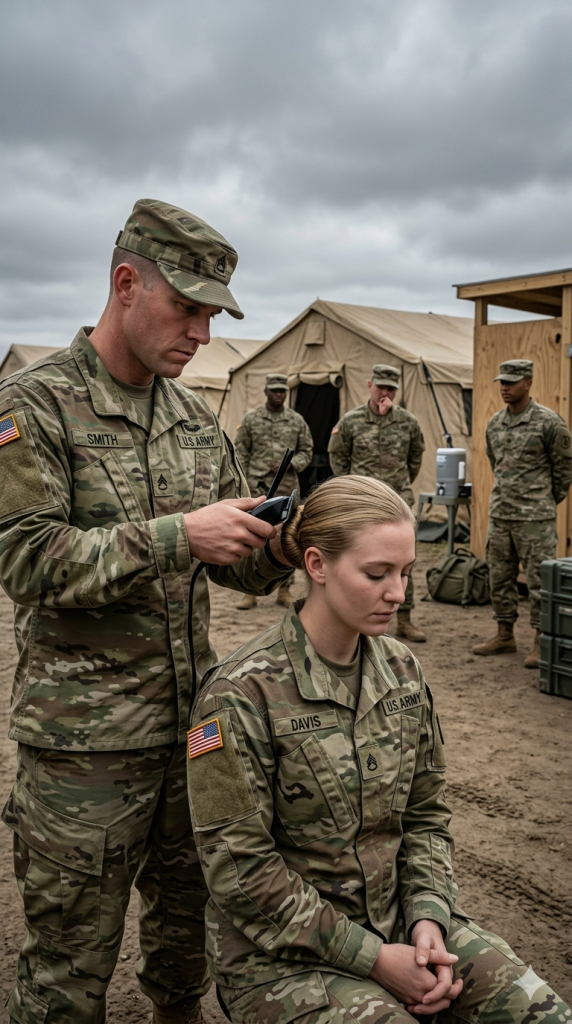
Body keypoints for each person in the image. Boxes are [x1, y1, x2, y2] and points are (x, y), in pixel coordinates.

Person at [0, 198, 294, 1024]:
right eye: (189, 308)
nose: (202, 333)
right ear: (126, 283)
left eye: (213, 315)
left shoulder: (196, 423)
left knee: (184, 941)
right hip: (84, 755)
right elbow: (23, 558)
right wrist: (176, 537)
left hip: (191, 738)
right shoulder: (35, 406)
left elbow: (231, 567)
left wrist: (280, 546)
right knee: (65, 970)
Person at [186, 476, 570, 1024]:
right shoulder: (239, 694)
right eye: (377, 574)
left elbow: (426, 816)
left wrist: (429, 922)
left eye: (406, 572)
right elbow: (240, 874)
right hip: (284, 960)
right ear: (316, 565)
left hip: (402, 926)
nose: (398, 593)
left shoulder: (401, 670)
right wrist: (375, 961)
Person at [473, 359, 572, 668]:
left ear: (528, 383)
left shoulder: (549, 422)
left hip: (535, 520)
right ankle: (504, 634)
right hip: (501, 513)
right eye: (502, 381)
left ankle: (541, 641)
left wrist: (542, 501)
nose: (505, 387)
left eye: (512, 382)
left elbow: (564, 470)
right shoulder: (495, 423)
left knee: (539, 582)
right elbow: (495, 461)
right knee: (499, 576)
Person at [328, 364, 426, 642]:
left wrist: (399, 486)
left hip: (399, 505)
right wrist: (355, 492)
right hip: (362, 506)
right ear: (369, 385)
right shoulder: (351, 421)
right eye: (380, 386)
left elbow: (416, 457)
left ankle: (404, 619)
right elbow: (338, 459)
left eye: (391, 388)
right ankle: (359, 616)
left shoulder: (408, 422)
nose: (385, 392)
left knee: (403, 563)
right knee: (362, 562)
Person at [234, 372, 313, 609]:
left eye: (282, 391)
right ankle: (250, 592)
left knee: (287, 537)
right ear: (266, 391)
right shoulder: (251, 419)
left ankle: (284, 589)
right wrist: (244, 482)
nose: (279, 394)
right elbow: (240, 452)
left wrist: (292, 464)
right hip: (257, 487)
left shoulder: (297, 421)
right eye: (274, 390)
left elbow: (307, 451)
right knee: (251, 534)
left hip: (287, 487)